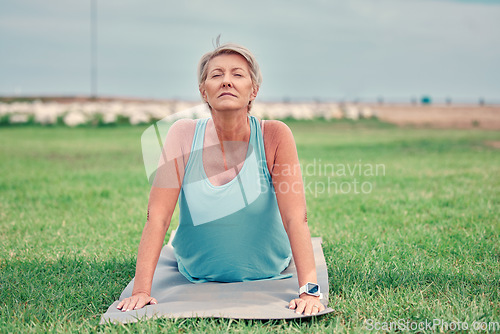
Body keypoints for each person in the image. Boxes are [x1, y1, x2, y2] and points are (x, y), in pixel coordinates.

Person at [117, 43, 326, 316]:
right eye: (216, 75)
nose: (226, 80)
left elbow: (295, 217)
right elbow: (157, 216)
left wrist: (308, 292)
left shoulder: (275, 135)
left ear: (254, 90)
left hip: (269, 267)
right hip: (194, 269)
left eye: (238, 74)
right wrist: (142, 291)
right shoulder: (181, 135)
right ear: (203, 90)